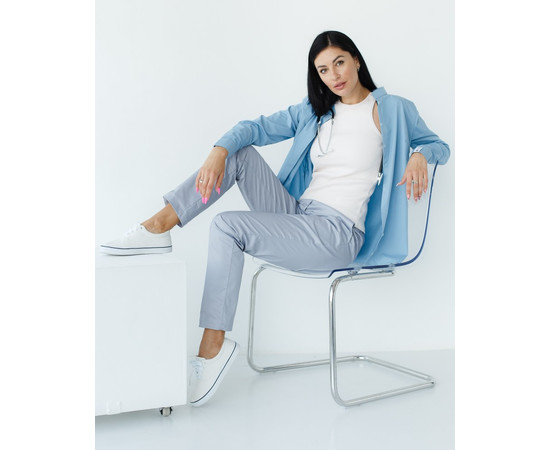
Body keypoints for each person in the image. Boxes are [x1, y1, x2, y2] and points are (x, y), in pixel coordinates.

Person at [100, 30, 450, 407]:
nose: (334, 75)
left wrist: (420, 155)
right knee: (239, 153)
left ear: (356, 60)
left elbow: (439, 146)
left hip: (337, 233)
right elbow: (256, 128)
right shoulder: (315, 112)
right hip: (298, 216)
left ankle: (212, 347)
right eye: (323, 70)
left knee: (227, 225)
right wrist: (218, 149)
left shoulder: (393, 109)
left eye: (339, 63)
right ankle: (159, 226)